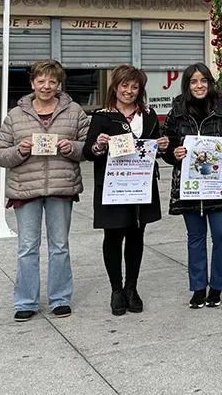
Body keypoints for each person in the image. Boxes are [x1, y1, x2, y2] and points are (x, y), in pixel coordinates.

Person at [0, 60, 89, 322]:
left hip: (61, 186)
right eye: (41, 81)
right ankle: (26, 301)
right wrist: (19, 150)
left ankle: (60, 298)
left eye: (52, 82)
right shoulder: (15, 115)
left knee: (59, 246)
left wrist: (73, 149)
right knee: (27, 247)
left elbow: (88, 148)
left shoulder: (74, 111)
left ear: (59, 84)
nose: (46, 86)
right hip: (25, 189)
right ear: (32, 83)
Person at [84, 65, 168, 316]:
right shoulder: (102, 116)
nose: (129, 91)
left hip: (141, 187)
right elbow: (89, 153)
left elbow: (155, 149)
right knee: (113, 236)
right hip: (113, 187)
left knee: (136, 235)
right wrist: (99, 145)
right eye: (124, 85)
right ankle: (116, 289)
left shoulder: (150, 115)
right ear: (115, 86)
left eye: (134, 87)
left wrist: (162, 146)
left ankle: (132, 288)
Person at [162, 63, 222, 309]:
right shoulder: (177, 110)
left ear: (210, 83)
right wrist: (173, 153)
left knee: (221, 236)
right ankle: (198, 287)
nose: (199, 86)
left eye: (203, 81)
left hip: (217, 186)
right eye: (194, 82)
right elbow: (167, 147)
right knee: (195, 237)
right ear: (187, 85)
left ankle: (218, 285)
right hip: (190, 187)